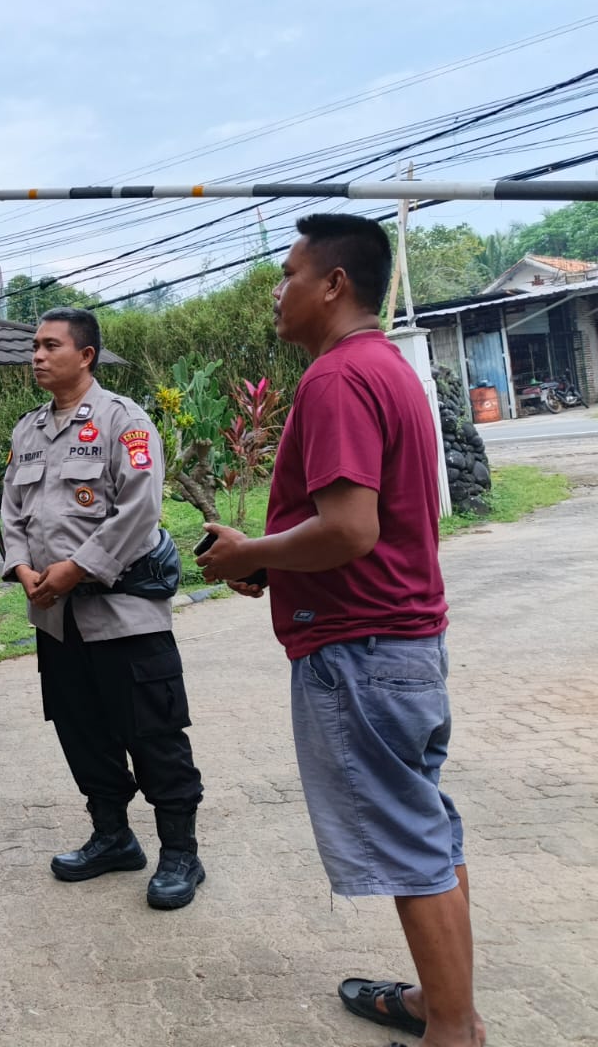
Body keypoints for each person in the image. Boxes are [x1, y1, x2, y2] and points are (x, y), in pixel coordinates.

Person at [199, 213, 482, 1047]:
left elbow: (351, 529)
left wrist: (249, 551)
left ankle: (454, 1030)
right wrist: (273, 565)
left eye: (288, 274)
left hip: (360, 651)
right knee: (426, 831)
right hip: (402, 645)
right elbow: (370, 524)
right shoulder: (385, 367)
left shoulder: (335, 378)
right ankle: (442, 1005)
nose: (276, 292)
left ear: (334, 284)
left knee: (408, 844)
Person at [1, 308, 206, 910]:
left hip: (123, 613)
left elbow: (140, 511)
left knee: (154, 734)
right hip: (57, 620)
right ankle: (113, 836)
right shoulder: (27, 432)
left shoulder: (125, 422)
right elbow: (11, 513)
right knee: (81, 731)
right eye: (35, 347)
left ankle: (181, 853)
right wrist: (21, 567)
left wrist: (76, 568)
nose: (37, 356)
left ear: (85, 355)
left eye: (50, 346)